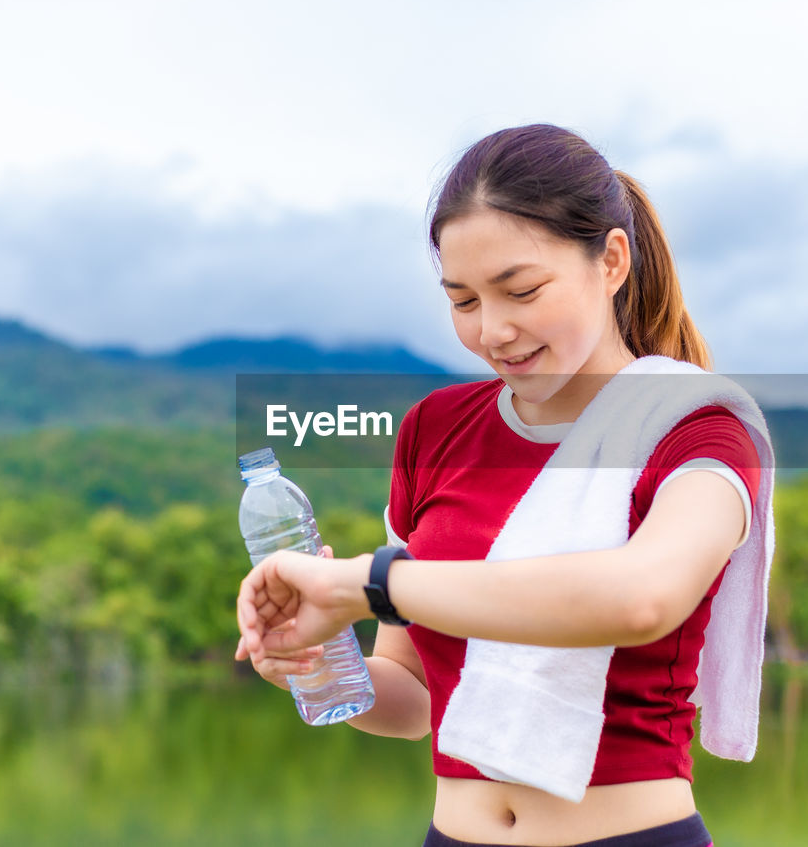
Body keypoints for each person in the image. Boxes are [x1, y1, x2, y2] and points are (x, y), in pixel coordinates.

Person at [235, 123, 771, 847]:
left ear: (611, 260)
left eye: (520, 290)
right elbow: (418, 695)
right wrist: (314, 667)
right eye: (463, 301)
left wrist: (369, 582)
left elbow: (642, 596)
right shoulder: (436, 430)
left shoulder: (697, 430)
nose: (493, 330)